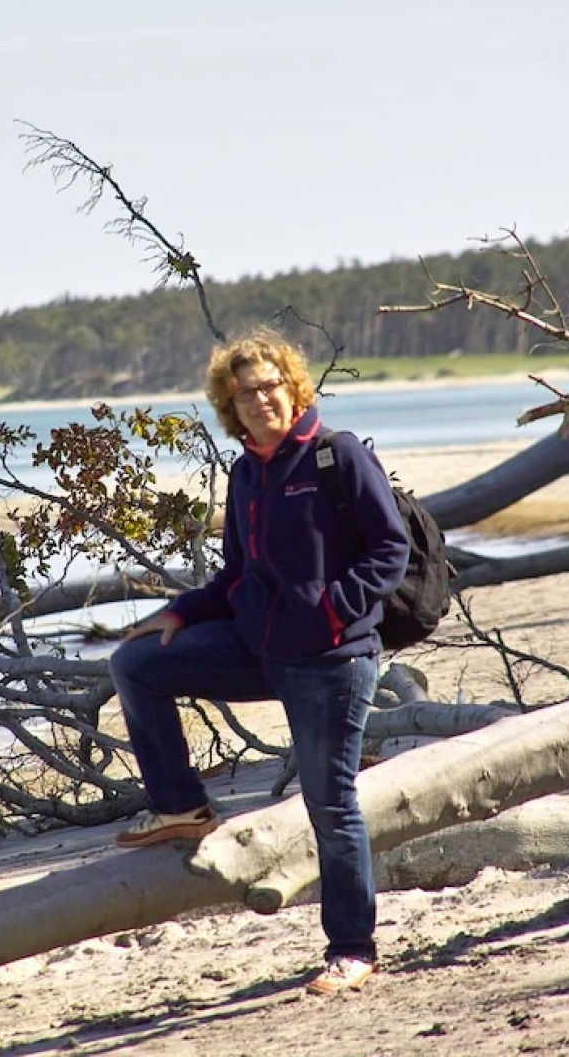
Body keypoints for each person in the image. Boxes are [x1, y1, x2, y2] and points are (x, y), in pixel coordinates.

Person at [108, 324, 409, 996]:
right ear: (230, 405)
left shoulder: (337, 457)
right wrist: (179, 614)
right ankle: (182, 807)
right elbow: (237, 576)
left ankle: (352, 950)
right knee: (135, 666)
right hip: (259, 648)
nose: (260, 400)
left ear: (292, 387)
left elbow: (389, 551)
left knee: (329, 806)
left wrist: (332, 612)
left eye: (270, 386)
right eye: (245, 393)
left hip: (332, 659)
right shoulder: (246, 473)